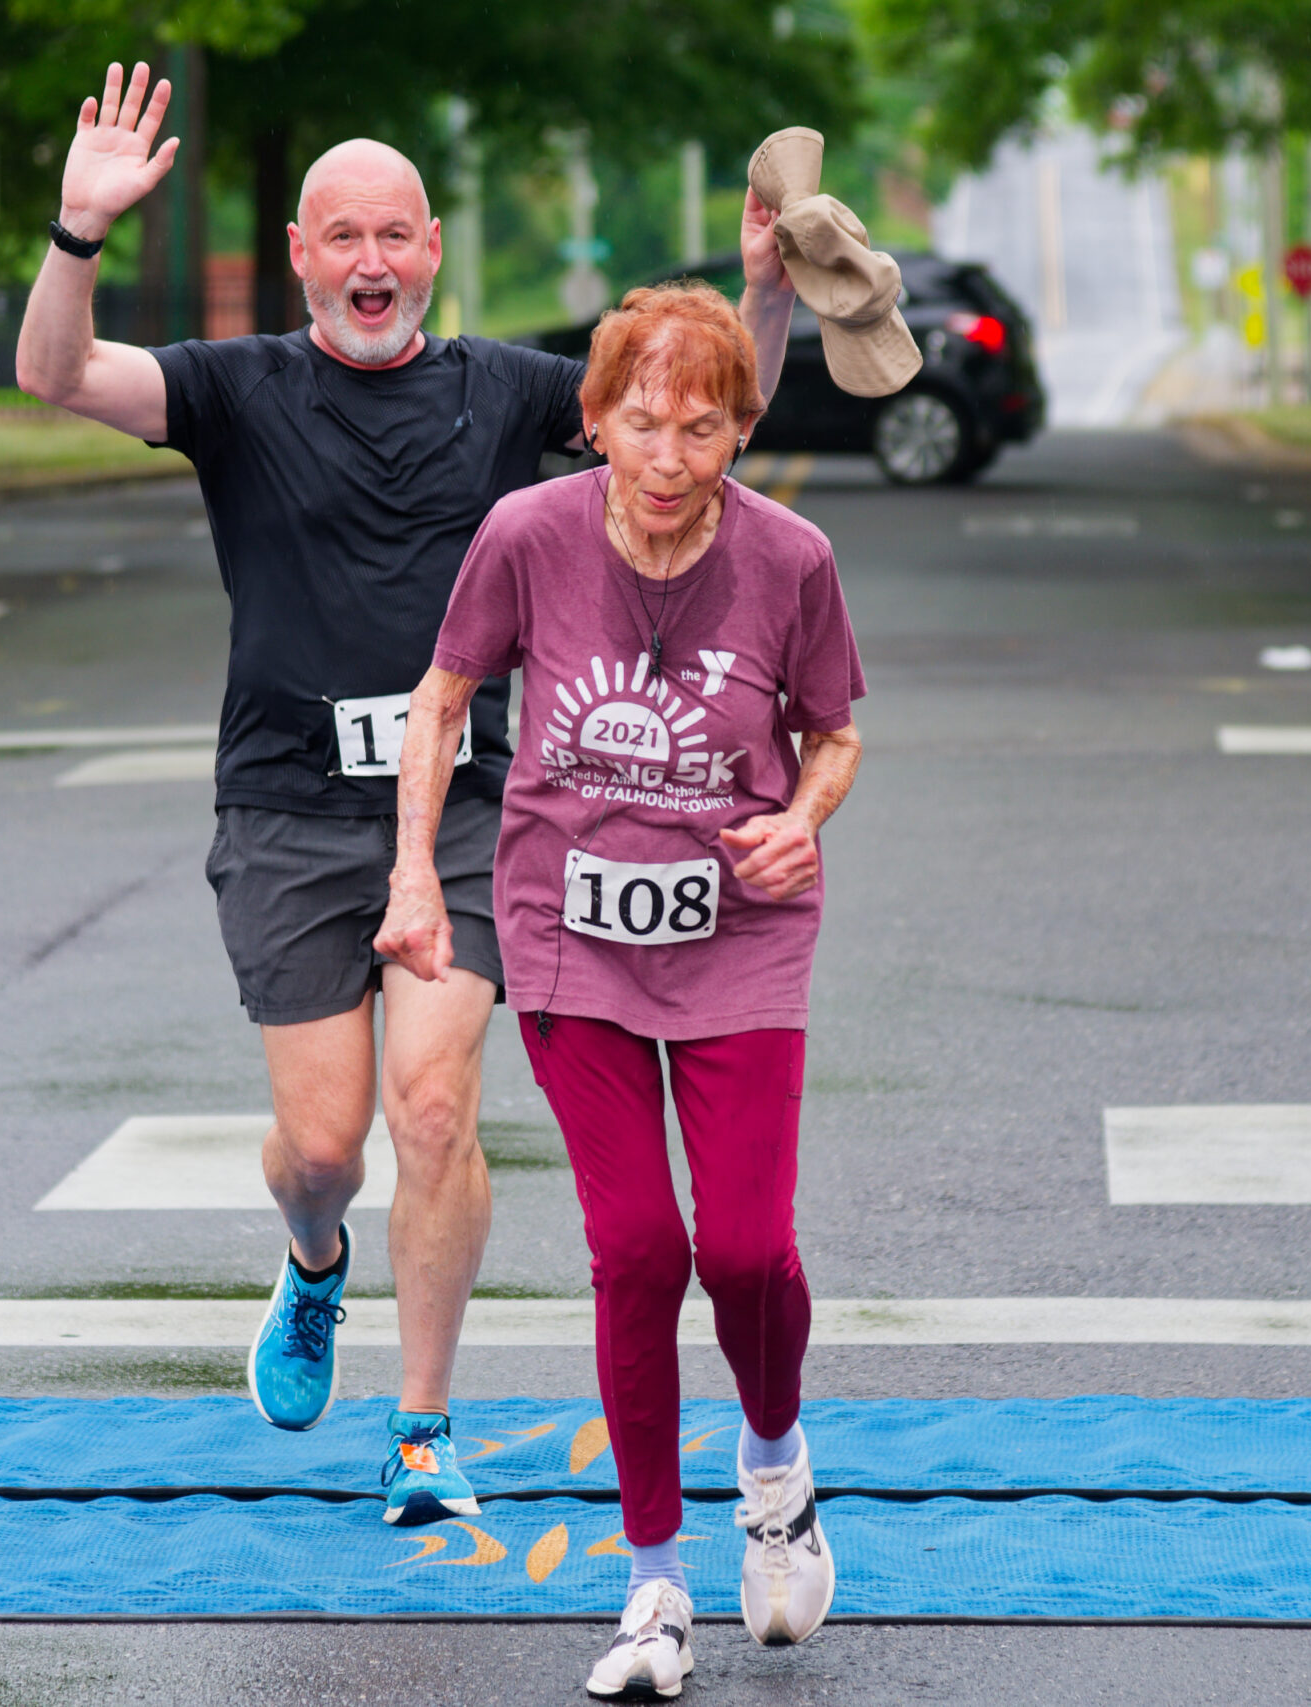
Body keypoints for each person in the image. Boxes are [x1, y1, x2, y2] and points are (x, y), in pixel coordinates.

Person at [14, 63, 799, 1528]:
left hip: (479, 802)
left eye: (395, 236)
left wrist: (767, 290)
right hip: (288, 809)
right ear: (304, 255)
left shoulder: (504, 391)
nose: (370, 263)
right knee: (323, 1147)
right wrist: (78, 234)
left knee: (433, 1109)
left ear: (433, 248)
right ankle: (313, 1264)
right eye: (341, 239)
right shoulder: (234, 392)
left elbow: (694, 417)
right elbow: (56, 376)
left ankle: (426, 1421)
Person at [378, 280, 864, 1694]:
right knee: (640, 1250)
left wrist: (806, 811)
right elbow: (444, 697)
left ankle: (774, 1466)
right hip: (568, 934)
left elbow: (831, 733)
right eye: (641, 424)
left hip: (740, 931)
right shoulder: (526, 537)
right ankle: (654, 1589)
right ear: (592, 424)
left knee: (750, 1254)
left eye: (701, 430)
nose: (667, 460)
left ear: (739, 434)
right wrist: (417, 874)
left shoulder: (793, 560)